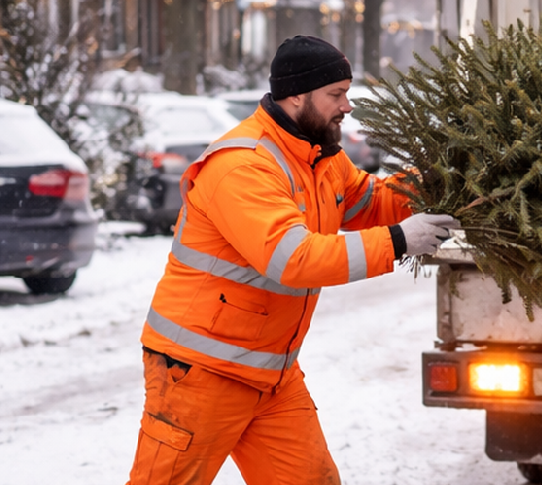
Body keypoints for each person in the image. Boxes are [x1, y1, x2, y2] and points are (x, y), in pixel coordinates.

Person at [126, 35, 459, 484]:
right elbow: (294, 258)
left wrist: (443, 181)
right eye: (336, 95)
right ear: (296, 95)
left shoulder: (317, 157)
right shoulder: (243, 165)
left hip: (271, 374)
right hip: (200, 373)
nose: (347, 106)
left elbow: (369, 202)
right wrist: (400, 241)